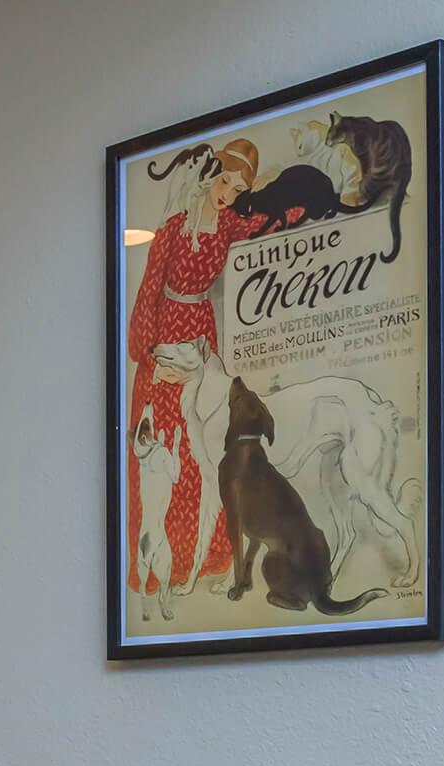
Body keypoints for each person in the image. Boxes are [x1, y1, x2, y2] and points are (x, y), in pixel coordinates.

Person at [124, 138, 268, 601]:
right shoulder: (170, 229)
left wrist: (297, 205)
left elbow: (261, 224)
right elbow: (147, 291)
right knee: (166, 440)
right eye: (225, 180)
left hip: (202, 331)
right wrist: (148, 353)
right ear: (211, 176)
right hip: (168, 331)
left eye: (237, 186)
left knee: (201, 440)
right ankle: (160, 561)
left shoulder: (228, 224)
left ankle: (206, 557)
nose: (227, 191)